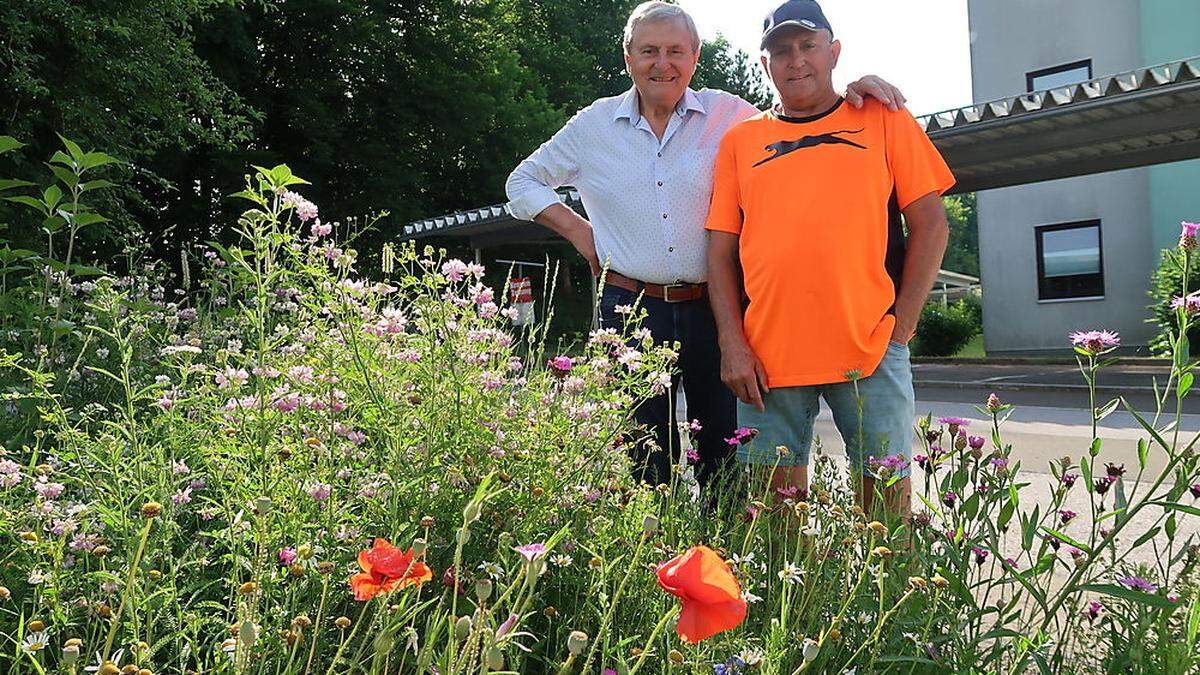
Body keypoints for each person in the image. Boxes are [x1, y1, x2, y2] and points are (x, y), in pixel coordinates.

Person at [505, 1, 906, 492]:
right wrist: (579, 230)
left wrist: (847, 91)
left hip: (714, 309)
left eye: (676, 50)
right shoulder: (593, 126)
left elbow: (797, 113)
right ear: (628, 56)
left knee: (723, 451)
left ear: (695, 57)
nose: (663, 63)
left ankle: (717, 560)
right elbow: (522, 182)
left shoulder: (729, 115)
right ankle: (654, 557)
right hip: (628, 307)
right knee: (641, 454)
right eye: (649, 50)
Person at [705, 0, 955, 514]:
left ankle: (882, 599)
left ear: (833, 52)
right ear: (765, 64)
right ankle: (785, 600)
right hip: (767, 360)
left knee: (885, 517)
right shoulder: (740, 142)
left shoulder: (883, 118)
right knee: (771, 526)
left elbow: (931, 223)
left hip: (869, 350)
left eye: (807, 46)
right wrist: (732, 342)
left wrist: (901, 327)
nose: (795, 60)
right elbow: (719, 252)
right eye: (781, 51)